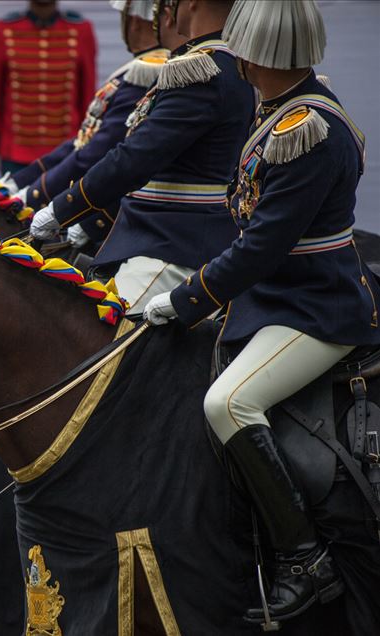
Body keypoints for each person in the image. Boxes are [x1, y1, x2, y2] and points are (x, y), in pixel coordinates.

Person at [143, 0, 380, 626]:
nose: (239, 63)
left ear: (261, 57)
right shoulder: (278, 111)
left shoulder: (309, 129)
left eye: (246, 55)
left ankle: (305, 558)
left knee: (228, 404)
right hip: (278, 297)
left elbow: (263, 247)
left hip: (314, 309)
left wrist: (188, 297)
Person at [29, 0, 253, 316]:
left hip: (173, 244)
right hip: (158, 235)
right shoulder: (215, 64)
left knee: (105, 347)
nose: (159, 13)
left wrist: (62, 208)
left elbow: (136, 158)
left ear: (189, 4)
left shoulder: (203, 71)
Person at [5, 0, 175, 254]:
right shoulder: (137, 68)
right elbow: (82, 141)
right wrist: (22, 182)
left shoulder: (148, 72)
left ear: (134, 19)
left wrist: (36, 195)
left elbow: (98, 152)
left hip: (112, 215)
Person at [0, 1, 97, 173]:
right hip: (16, 152)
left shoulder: (82, 30)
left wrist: (88, 150)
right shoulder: (2, 30)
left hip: (66, 149)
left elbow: (88, 98)